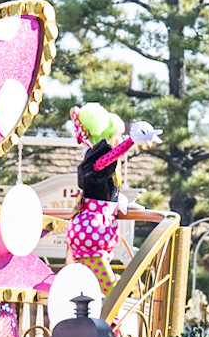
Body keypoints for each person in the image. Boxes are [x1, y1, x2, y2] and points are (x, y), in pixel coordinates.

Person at [67, 103, 160, 297]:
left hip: (93, 231)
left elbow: (103, 189)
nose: (119, 140)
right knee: (110, 292)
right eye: (117, 135)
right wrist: (132, 142)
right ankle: (112, 325)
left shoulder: (95, 162)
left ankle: (102, 322)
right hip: (92, 233)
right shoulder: (96, 160)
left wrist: (121, 201)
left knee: (94, 290)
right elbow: (109, 158)